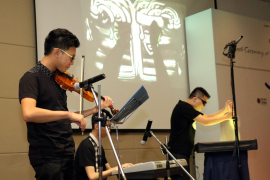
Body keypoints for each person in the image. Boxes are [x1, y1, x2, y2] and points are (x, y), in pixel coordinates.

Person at [19, 28, 113, 180]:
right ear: (57, 52)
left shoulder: (58, 80)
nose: (72, 63)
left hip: (67, 153)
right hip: (48, 156)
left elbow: (61, 116)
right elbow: (28, 113)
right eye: (71, 57)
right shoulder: (31, 78)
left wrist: (95, 109)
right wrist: (68, 114)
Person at [168, 87, 233, 180]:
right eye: (204, 102)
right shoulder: (183, 107)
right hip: (178, 153)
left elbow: (207, 116)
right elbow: (205, 121)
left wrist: (224, 111)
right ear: (195, 99)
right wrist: (226, 117)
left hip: (181, 153)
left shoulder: (187, 108)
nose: (204, 106)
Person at [74, 110, 133, 180]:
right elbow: (92, 176)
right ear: (96, 126)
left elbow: (109, 169)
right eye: (107, 127)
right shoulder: (86, 145)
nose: (109, 130)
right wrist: (120, 167)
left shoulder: (99, 146)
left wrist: (132, 167)